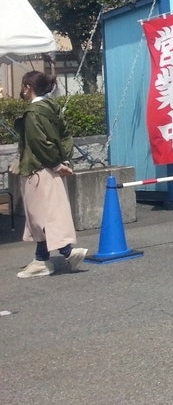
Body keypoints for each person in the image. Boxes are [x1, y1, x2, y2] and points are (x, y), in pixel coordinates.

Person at [14, 71, 87, 277]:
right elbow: (65, 136)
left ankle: (67, 253)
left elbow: (38, 143)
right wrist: (62, 161)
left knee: (40, 218)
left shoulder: (33, 113)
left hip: (38, 168)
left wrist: (55, 163)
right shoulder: (54, 109)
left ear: (28, 87)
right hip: (53, 168)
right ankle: (42, 259)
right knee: (48, 215)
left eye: (23, 86)